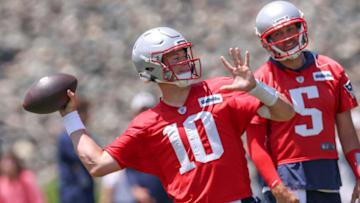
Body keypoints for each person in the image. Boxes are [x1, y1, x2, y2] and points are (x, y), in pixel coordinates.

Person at [58, 26, 295, 202]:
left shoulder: (222, 90)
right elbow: (97, 164)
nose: (184, 61)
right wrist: (70, 117)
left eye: (183, 54)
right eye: (174, 56)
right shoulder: (147, 123)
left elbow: (285, 114)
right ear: (150, 68)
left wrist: (258, 88)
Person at [245, 1, 360, 203]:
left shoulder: (331, 70)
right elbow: (254, 143)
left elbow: (347, 132)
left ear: (301, 27)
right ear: (266, 40)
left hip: (326, 174)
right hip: (285, 177)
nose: (287, 38)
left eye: (290, 29)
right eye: (278, 33)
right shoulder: (261, 80)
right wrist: (275, 185)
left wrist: (358, 172)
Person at [100, 91, 172, 203]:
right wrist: (135, 188)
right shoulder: (131, 139)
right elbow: (128, 169)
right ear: (135, 113)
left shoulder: (167, 134)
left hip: (166, 196)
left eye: (148, 110)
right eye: (141, 111)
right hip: (141, 199)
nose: (144, 114)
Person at [57, 98, 95, 203]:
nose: (88, 115)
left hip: (86, 192)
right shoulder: (66, 138)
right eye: (85, 111)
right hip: (72, 193)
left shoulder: (87, 136)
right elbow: (87, 156)